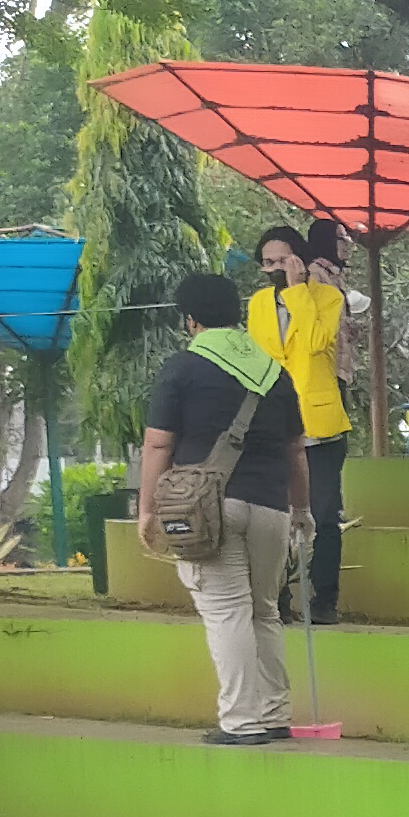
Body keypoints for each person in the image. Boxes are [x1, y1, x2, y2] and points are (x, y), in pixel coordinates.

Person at [138, 269, 310, 747]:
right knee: (264, 610)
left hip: (206, 508)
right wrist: (303, 512)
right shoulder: (274, 372)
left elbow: (158, 446)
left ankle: (240, 721)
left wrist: (147, 509)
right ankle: (275, 714)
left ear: (190, 320)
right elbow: (298, 450)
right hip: (272, 507)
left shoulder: (183, 368)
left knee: (226, 611)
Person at [250, 221, 358, 627]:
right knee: (276, 515)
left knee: (325, 516)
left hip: (320, 422)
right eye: (267, 262)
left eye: (282, 259)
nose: (275, 267)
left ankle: (325, 599)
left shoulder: (326, 297)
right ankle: (277, 597)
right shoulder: (258, 304)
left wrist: (297, 290)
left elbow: (316, 343)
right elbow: (261, 356)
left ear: (299, 259)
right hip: (273, 423)